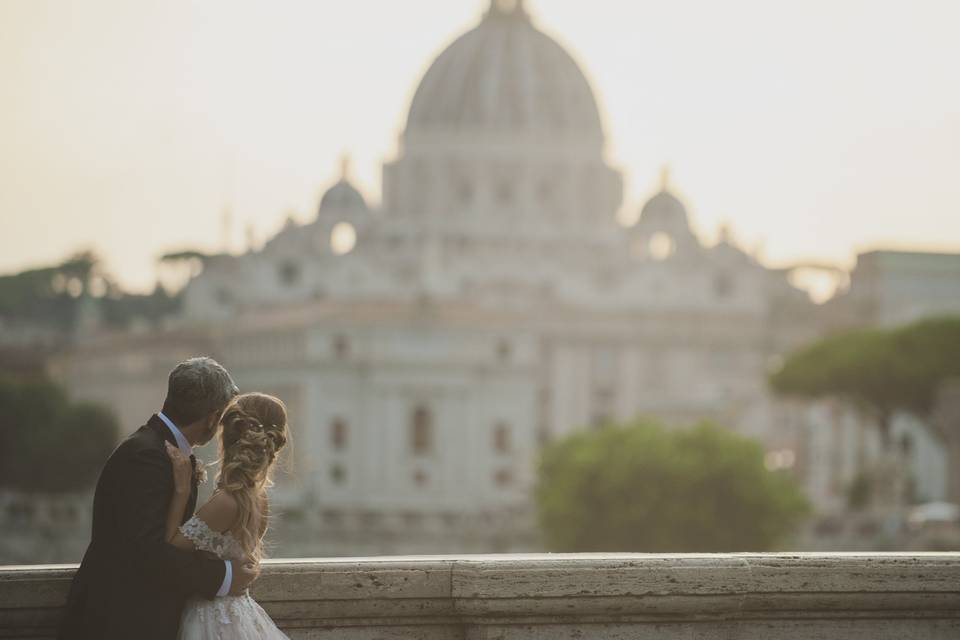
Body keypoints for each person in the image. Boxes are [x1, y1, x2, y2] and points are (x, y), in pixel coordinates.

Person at [59, 357, 260, 640]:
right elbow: (148, 552)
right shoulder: (147, 457)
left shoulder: (154, 448)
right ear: (213, 417)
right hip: (119, 622)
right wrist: (224, 576)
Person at [164, 392, 290, 639]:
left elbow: (170, 549)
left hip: (211, 619)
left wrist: (181, 491)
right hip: (241, 614)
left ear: (228, 438)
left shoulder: (227, 502)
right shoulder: (258, 498)